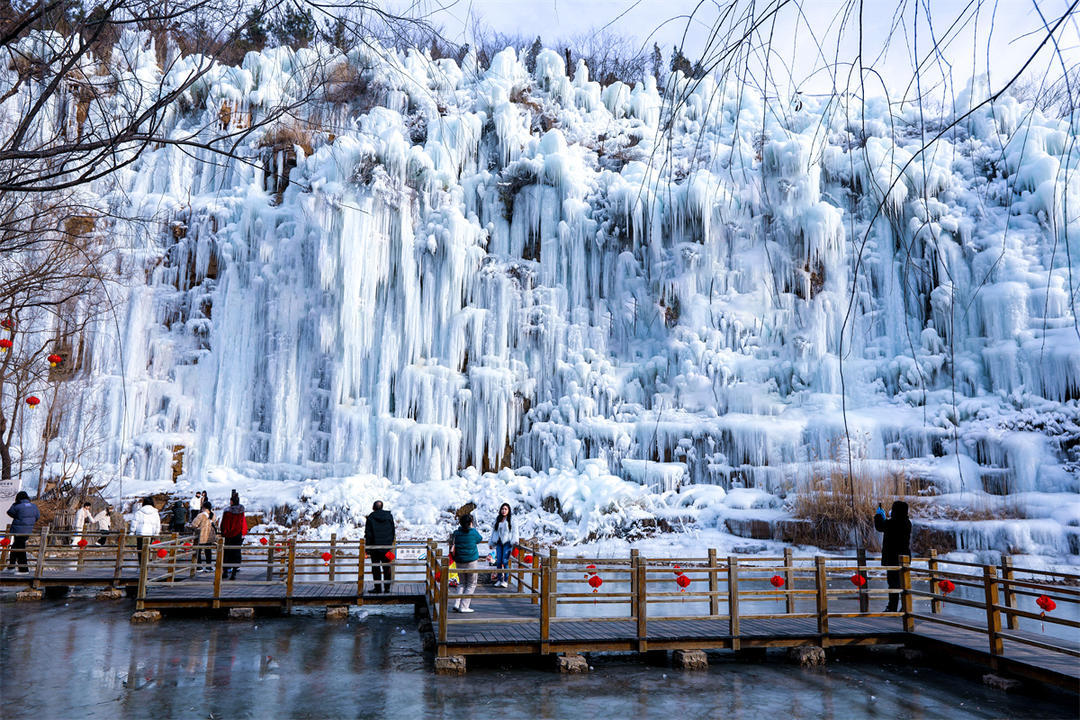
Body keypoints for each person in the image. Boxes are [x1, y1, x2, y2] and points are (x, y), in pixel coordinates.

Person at [875, 500, 912, 612]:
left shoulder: (892, 523)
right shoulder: (907, 522)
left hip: (892, 558)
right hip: (904, 558)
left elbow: (880, 526)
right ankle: (905, 606)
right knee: (903, 582)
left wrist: (878, 515)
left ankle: (892, 607)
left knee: (893, 583)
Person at [449, 513, 483, 613]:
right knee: (471, 584)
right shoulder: (473, 532)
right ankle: (464, 606)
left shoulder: (456, 533)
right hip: (471, 561)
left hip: (459, 561)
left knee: (462, 583)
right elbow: (479, 539)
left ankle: (457, 603)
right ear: (470, 523)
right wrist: (472, 528)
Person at [364, 500, 396, 594]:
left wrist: (368, 548)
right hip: (386, 547)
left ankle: (377, 588)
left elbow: (368, 534)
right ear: (382, 507)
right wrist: (389, 543)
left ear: (373, 507)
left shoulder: (371, 517)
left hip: (374, 548)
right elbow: (392, 531)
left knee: (376, 568)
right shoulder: (389, 516)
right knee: (387, 568)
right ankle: (387, 588)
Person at [5, 491, 40, 573]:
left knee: (20, 549)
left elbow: (9, 512)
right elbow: (37, 517)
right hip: (27, 530)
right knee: (14, 547)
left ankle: (24, 570)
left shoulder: (17, 506)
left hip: (18, 530)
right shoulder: (34, 506)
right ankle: (11, 566)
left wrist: (15, 507)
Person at [220, 490, 247, 580]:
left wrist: (223, 531)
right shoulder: (241, 511)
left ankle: (225, 571)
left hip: (229, 535)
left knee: (227, 553)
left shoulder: (227, 511)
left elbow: (224, 523)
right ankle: (234, 572)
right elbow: (243, 522)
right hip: (238, 534)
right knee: (236, 553)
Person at [489, 503, 513, 588]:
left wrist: (515, 541)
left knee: (505, 561)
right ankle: (499, 579)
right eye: (502, 509)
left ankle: (505, 580)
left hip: (507, 542)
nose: (504, 510)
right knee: (498, 561)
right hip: (499, 542)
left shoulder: (512, 519)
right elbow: (493, 532)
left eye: (506, 509)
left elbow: (515, 532)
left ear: (508, 510)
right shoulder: (498, 519)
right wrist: (491, 542)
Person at [191, 501, 216, 572]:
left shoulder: (201, 515)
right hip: (209, 536)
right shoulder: (213, 514)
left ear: (203, 507)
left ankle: (199, 567)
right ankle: (209, 566)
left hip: (201, 536)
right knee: (208, 551)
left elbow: (194, 524)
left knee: (198, 551)